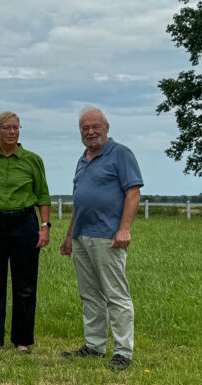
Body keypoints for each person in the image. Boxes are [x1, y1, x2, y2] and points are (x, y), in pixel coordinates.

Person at [60, 106, 142, 371]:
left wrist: (124, 229)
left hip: (108, 237)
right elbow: (79, 201)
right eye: (85, 128)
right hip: (82, 237)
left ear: (107, 128)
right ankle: (94, 346)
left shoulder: (121, 154)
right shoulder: (82, 159)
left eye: (95, 127)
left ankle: (123, 351)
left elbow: (133, 192)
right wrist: (70, 235)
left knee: (115, 295)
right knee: (90, 295)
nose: (90, 132)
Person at [0, 111, 51, 354]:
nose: (12, 131)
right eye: (7, 127)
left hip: (25, 223)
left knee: (25, 284)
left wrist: (44, 227)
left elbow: (43, 195)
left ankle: (22, 340)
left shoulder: (32, 160)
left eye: (16, 127)